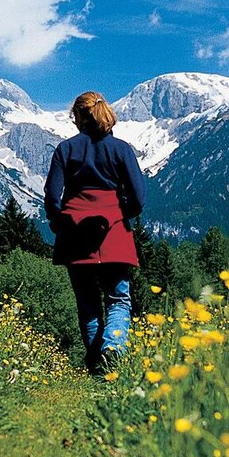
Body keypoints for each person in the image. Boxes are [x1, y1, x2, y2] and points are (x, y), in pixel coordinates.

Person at [44, 91, 146, 375]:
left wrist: (60, 223)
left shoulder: (66, 149)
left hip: (75, 235)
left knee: (88, 306)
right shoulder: (122, 149)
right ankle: (113, 347)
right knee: (118, 299)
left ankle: (98, 370)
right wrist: (119, 214)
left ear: (78, 116)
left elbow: (52, 196)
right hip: (114, 233)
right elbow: (138, 197)